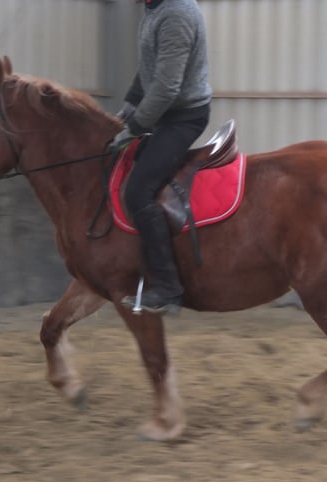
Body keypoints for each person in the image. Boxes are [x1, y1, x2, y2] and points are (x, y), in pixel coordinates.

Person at [110, 0, 212, 314]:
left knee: (139, 190)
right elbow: (150, 67)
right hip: (165, 114)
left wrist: (136, 126)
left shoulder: (177, 13)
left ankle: (168, 288)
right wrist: (129, 105)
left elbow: (167, 85)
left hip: (183, 117)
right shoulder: (154, 8)